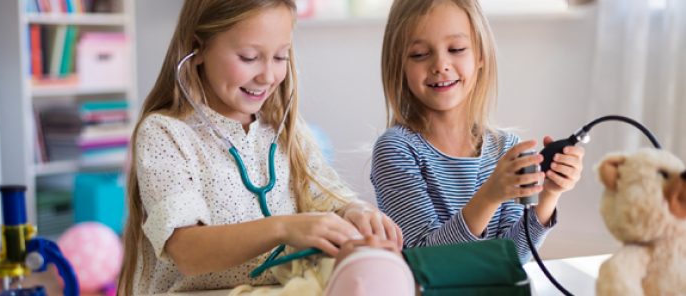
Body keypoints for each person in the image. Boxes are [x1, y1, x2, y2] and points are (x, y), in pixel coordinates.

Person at [117, 0, 409, 295]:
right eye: (249, 57)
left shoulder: (286, 131)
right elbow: (186, 251)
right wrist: (283, 228)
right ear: (198, 48)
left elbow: (327, 199)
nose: (268, 76)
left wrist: (355, 211)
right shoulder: (166, 134)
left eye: (281, 57)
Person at [371, 0, 585, 263]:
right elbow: (425, 260)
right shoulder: (396, 150)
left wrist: (549, 194)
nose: (440, 65)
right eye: (419, 54)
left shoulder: (505, 149)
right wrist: (490, 195)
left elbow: (511, 258)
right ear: (398, 64)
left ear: (481, 55)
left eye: (456, 49)